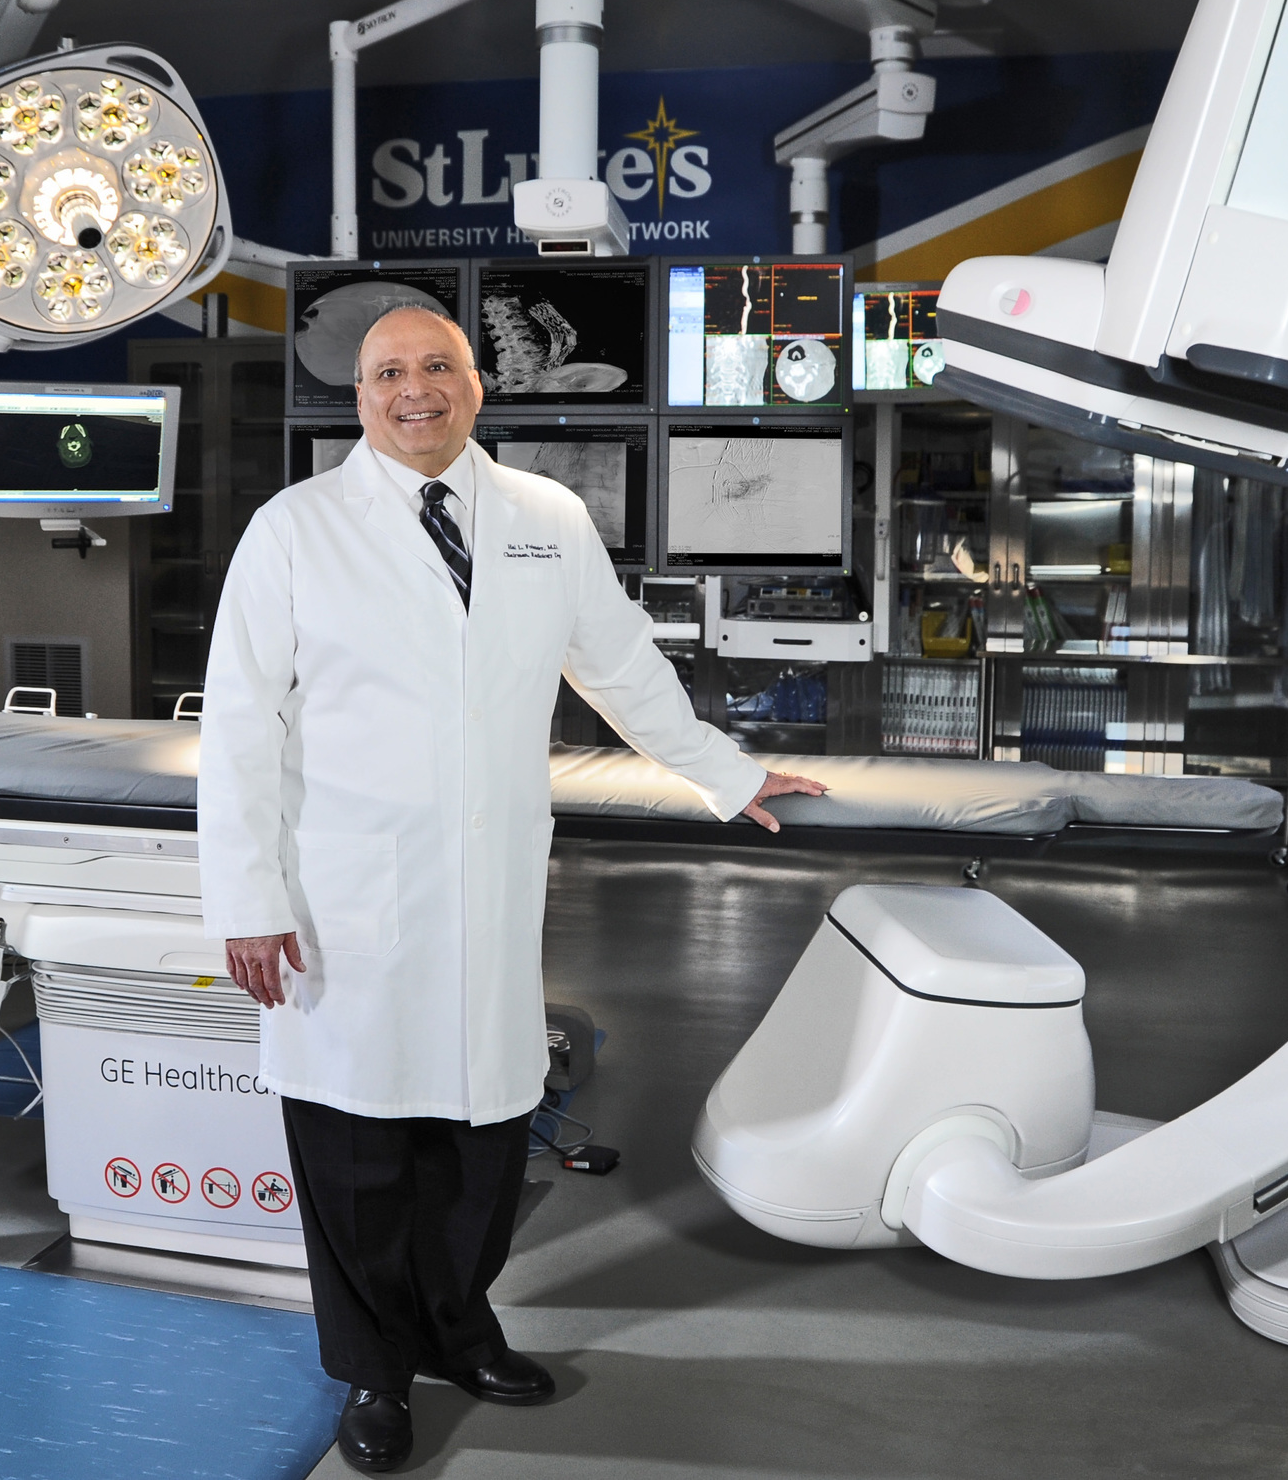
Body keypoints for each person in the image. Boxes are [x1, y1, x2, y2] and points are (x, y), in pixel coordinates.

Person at [199, 304, 824, 1473]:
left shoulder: (546, 518)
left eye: (437, 366)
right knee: (358, 1151)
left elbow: (621, 666)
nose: (415, 389)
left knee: (484, 1134)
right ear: (362, 396)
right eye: (390, 372)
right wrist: (247, 898)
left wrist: (726, 776)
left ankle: (460, 1327)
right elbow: (239, 727)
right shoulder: (296, 529)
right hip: (345, 897)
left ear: (477, 386)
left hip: (486, 888)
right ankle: (376, 1373)